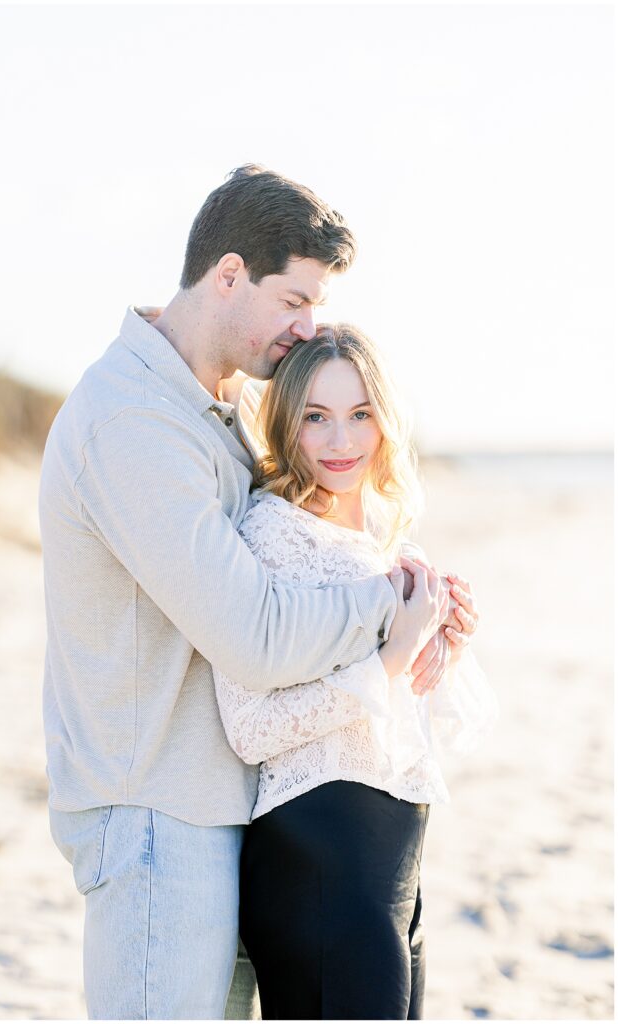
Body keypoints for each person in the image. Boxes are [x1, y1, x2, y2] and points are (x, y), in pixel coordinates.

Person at [40, 165, 471, 1020]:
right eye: (292, 300)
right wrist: (392, 606)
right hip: (154, 812)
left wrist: (426, 596)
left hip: (227, 808)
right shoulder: (134, 422)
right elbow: (256, 632)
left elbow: (304, 540)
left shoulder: (218, 405)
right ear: (227, 274)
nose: (307, 326)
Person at [213, 323, 498, 1020]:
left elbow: (420, 721)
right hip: (318, 861)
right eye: (316, 417)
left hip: (392, 865)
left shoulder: (387, 546)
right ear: (286, 423)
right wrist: (391, 655)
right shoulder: (268, 537)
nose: (340, 442)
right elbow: (251, 729)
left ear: (384, 421)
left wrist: (443, 646)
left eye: (359, 414)